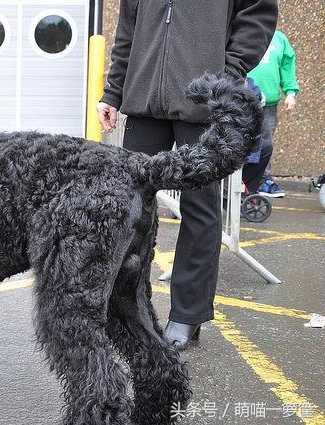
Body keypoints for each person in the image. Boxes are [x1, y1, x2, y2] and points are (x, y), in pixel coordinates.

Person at [97, 0, 277, 349]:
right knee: (126, 209)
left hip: (204, 101)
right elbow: (128, 28)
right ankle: (122, 311)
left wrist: (227, 75)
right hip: (145, 98)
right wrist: (115, 90)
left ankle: (187, 316)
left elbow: (257, 14)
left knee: (200, 209)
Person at [248, 29, 300, 198]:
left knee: (265, 144)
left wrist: (290, 92)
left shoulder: (279, 39)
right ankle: (235, 183)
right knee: (241, 142)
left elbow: (287, 66)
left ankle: (263, 180)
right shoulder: (244, 32)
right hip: (243, 102)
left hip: (268, 104)